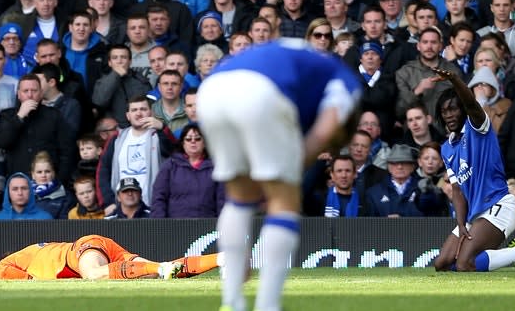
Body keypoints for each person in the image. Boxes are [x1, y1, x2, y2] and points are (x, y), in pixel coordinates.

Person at [197, 38, 361, 311]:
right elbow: (322, 132)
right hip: (260, 91)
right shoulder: (347, 82)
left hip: (212, 89)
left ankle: (232, 300)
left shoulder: (304, 63)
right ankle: (268, 305)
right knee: (285, 202)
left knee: (239, 199)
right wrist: (289, 176)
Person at [431, 67, 515, 273]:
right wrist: (461, 224)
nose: (449, 115)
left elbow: (471, 103)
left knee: (464, 264)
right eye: (444, 111)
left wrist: (455, 80)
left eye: (453, 109)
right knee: (442, 264)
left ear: (463, 109)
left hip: (499, 206)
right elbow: (457, 191)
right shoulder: (447, 148)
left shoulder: (478, 127)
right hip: (474, 215)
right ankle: (510, 255)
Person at [0, 234, 223, 280]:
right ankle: (221, 259)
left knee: (93, 275)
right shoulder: (37, 250)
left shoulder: (19, 259)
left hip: (83, 249)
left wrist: (27, 281)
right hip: (99, 246)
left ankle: (157, 269)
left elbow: (1, 269)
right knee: (158, 270)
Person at [0, 74, 76, 185]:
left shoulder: (53, 115)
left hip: (48, 181)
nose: (30, 95)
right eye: (25, 91)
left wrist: (60, 180)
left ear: (41, 94)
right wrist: (19, 117)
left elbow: (66, 150)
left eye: (34, 91)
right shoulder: (7, 115)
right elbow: (3, 142)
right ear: (18, 94)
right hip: (18, 182)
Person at [150, 124, 225, 218]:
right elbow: (159, 198)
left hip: (208, 226)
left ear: (205, 143)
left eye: (198, 139)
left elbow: (222, 200)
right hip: (175, 227)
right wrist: (159, 226)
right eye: (188, 139)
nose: (193, 142)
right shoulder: (169, 166)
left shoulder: (216, 167)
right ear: (182, 143)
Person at [92, 44, 151, 128]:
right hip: (114, 130)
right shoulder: (102, 81)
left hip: (140, 127)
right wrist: (115, 75)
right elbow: (99, 101)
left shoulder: (140, 80)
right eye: (115, 58)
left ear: (130, 61)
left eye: (123, 57)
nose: (119, 61)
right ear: (109, 62)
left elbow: (150, 106)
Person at [365, 143, 423, 217]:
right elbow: (369, 225)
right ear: (388, 166)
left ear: (413, 166)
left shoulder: (423, 190)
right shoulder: (374, 192)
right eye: (395, 163)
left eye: (404, 162)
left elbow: (430, 219)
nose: (400, 166)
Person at [30, 151, 72, 219]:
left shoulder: (65, 197)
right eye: (39, 172)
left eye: (47, 171)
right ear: (33, 175)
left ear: (53, 173)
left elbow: (64, 226)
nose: (43, 175)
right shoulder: (24, 195)